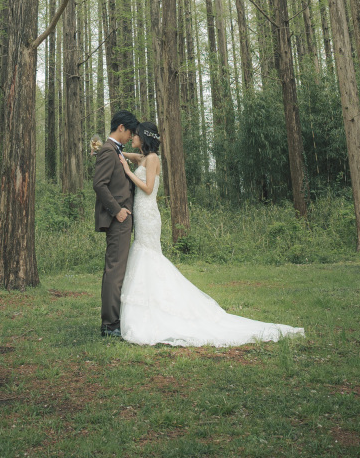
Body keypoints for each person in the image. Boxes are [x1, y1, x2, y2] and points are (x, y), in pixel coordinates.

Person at [118, 121, 304, 347]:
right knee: (143, 255)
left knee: (150, 257)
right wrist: (117, 151)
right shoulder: (143, 158)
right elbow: (134, 157)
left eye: (136, 135)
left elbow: (147, 189)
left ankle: (162, 307)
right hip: (142, 213)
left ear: (144, 138)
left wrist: (127, 172)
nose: (132, 137)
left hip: (148, 215)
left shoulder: (154, 159)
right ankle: (149, 305)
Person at [92, 109, 139, 338]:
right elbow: (99, 184)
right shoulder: (108, 151)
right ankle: (110, 325)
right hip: (117, 219)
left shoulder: (116, 150)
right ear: (121, 127)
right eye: (130, 132)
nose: (131, 137)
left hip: (123, 220)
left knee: (117, 269)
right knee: (115, 271)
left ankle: (113, 320)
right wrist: (117, 211)